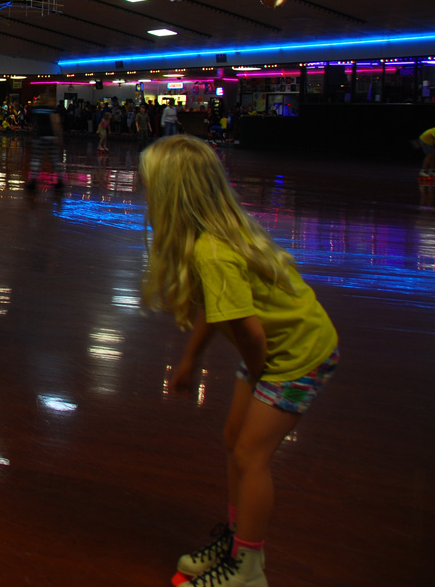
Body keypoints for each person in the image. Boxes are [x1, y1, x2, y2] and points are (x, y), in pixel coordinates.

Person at [140, 136, 339, 587]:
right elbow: (219, 308)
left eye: (150, 187)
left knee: (251, 453)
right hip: (273, 351)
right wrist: (191, 359)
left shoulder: (212, 251)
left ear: (173, 195)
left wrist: (260, 370)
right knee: (235, 439)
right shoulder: (214, 237)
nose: (145, 196)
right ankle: (236, 542)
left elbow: (248, 331)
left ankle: (249, 569)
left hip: (296, 355)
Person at [26, 96, 64, 190]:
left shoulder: (36, 110)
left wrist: (32, 135)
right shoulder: (52, 110)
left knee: (36, 158)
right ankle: (60, 181)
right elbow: (55, 123)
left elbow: (33, 124)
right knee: (54, 159)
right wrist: (59, 136)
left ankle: (33, 181)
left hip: (39, 135)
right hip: (51, 135)